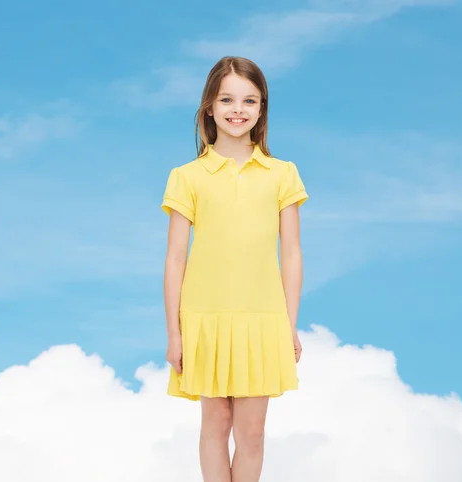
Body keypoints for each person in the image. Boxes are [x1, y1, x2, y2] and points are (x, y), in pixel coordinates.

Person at [161, 56, 308, 482]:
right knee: (215, 424)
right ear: (209, 106)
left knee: (252, 433)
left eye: (249, 100)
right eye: (226, 99)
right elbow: (175, 258)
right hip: (204, 318)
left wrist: (289, 324)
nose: (237, 109)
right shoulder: (186, 176)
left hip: (262, 319)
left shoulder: (283, 174)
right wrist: (175, 332)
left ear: (262, 109)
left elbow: (293, 253)